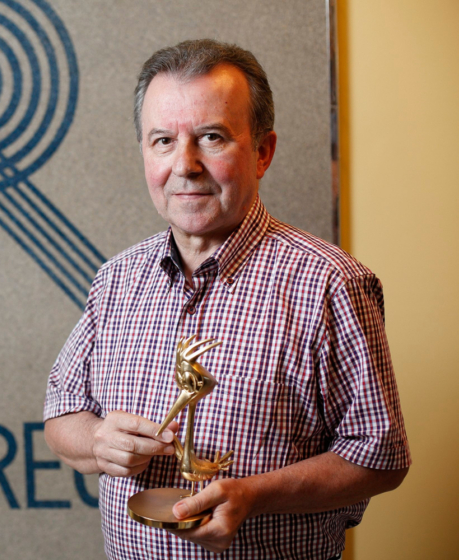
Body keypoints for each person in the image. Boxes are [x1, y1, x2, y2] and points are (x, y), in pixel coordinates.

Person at [43, 39, 410, 559]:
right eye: (163, 141)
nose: (185, 164)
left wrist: (253, 496)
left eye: (211, 138)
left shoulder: (332, 284)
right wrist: (99, 440)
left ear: (262, 152)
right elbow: (62, 416)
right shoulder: (115, 280)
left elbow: (381, 456)